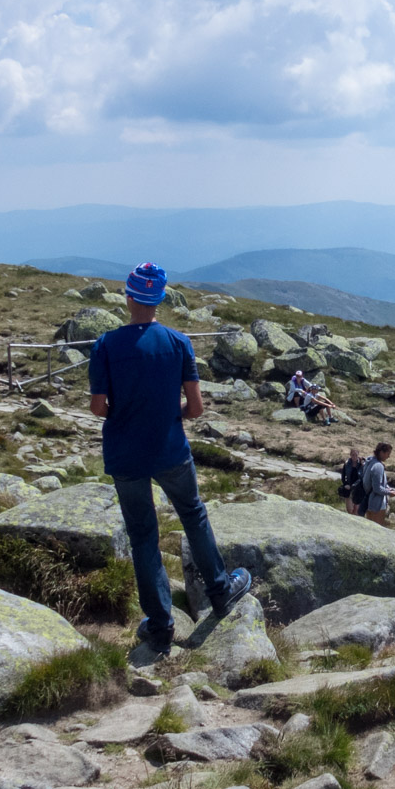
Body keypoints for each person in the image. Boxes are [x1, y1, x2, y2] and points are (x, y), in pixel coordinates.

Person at [88, 262, 253, 657]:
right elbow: (195, 409)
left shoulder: (105, 345)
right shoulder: (179, 343)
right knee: (193, 514)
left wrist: (128, 412)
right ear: (161, 299)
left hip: (125, 454)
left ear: (127, 298)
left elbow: (97, 408)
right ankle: (219, 590)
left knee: (143, 534)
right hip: (170, 450)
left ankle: (160, 625)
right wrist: (165, 411)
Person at [362, 442, 395, 525]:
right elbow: (377, 488)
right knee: (377, 526)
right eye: (388, 453)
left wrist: (387, 487)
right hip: (377, 503)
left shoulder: (370, 461)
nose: (389, 456)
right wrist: (389, 492)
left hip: (368, 501)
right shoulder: (378, 466)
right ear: (381, 452)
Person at [339, 447, 366, 515]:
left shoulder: (361, 464)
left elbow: (364, 476)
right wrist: (345, 484)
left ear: (358, 455)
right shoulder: (347, 464)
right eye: (353, 455)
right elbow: (343, 476)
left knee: (356, 510)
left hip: (358, 488)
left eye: (356, 455)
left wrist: (363, 465)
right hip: (349, 487)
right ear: (350, 455)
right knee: (350, 510)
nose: (354, 456)